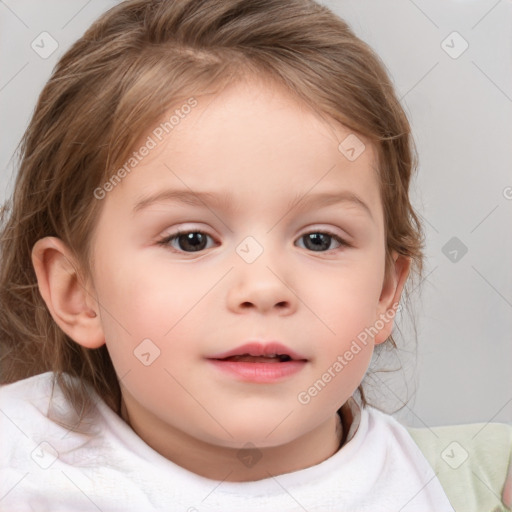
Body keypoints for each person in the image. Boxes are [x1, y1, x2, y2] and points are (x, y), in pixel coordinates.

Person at [0, 1, 510, 510]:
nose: (264, 288)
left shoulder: (475, 485)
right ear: (76, 292)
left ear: (384, 292)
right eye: (191, 239)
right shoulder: (19, 471)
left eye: (319, 240)